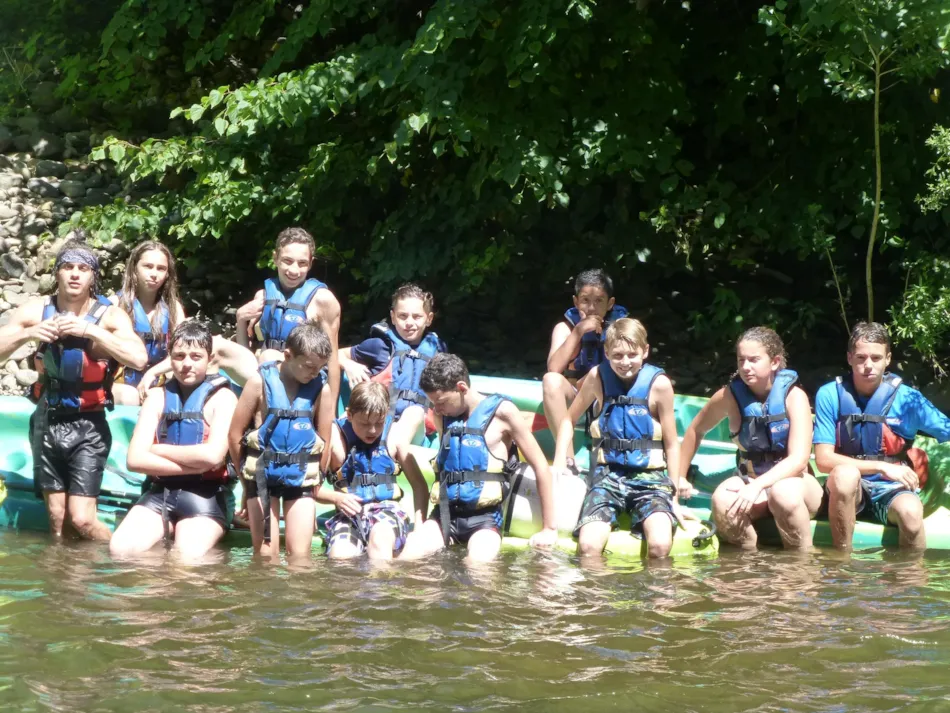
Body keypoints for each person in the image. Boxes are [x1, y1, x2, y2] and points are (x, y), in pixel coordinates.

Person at [0, 238, 147, 541]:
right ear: (57, 273)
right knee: (56, 518)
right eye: (68, 267)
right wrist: (28, 334)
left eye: (83, 268)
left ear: (93, 276)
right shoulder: (36, 310)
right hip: (47, 421)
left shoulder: (109, 316)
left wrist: (90, 331)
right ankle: (62, 580)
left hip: (89, 425)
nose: (75, 274)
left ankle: (120, 559)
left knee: (81, 519)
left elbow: (139, 358)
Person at [399, 353, 558, 562]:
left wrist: (549, 528)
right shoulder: (442, 415)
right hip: (444, 514)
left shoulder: (503, 413)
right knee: (406, 559)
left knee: (477, 568)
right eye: (433, 403)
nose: (436, 409)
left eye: (441, 401)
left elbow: (540, 466)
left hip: (485, 519)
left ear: (462, 388)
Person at [680, 327, 823, 549]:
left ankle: (801, 569)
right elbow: (694, 431)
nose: (746, 367)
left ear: (774, 362)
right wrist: (680, 477)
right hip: (751, 481)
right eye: (741, 360)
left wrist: (757, 487)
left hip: (797, 487)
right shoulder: (728, 397)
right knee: (722, 500)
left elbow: (799, 460)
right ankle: (749, 566)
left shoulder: (795, 397)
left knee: (782, 493)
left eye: (754, 360)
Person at [553, 318, 684, 559]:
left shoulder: (660, 385)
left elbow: (672, 444)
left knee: (660, 545)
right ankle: (599, 595)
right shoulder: (597, 377)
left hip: (651, 479)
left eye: (632, 355)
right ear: (606, 353)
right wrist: (560, 460)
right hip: (607, 476)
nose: (625, 362)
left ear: (645, 351)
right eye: (617, 356)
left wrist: (674, 497)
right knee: (589, 547)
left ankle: (655, 595)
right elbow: (567, 420)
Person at [814, 322, 950, 549]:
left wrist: (889, 472)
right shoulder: (829, 394)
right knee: (846, 477)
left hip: (890, 488)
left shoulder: (909, 400)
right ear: (849, 358)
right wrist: (882, 466)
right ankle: (842, 564)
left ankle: (910, 580)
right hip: (847, 488)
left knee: (911, 513)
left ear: (887, 359)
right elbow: (823, 460)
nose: (868, 365)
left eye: (876, 358)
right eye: (860, 358)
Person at [109, 321, 237, 559]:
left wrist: (157, 450)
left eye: (196, 356)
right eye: (179, 356)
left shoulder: (224, 399)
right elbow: (135, 460)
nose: (187, 363)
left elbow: (213, 456)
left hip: (206, 496)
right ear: (170, 359)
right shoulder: (157, 397)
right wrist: (196, 464)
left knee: (185, 558)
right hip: (161, 492)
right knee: (120, 550)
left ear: (210, 359)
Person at [228, 320, 333, 558]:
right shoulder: (259, 383)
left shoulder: (320, 390)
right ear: (287, 355)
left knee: (300, 558)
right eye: (308, 367)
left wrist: (317, 483)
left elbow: (325, 440)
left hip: (302, 479)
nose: (314, 373)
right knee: (266, 556)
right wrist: (246, 482)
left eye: (319, 368)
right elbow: (234, 434)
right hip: (262, 478)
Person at [337, 283, 443, 507]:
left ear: (429, 318)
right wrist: (348, 364)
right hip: (376, 425)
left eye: (417, 316)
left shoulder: (437, 350)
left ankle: (389, 454)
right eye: (403, 316)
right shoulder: (378, 346)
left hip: (414, 430)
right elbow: (333, 354)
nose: (409, 322)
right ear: (393, 317)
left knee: (414, 410)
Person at [235, 227, 341, 448]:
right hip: (263, 371)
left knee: (269, 356)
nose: (294, 270)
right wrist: (240, 320)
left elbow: (331, 358)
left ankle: (261, 434)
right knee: (223, 349)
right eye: (287, 261)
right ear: (275, 259)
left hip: (302, 375)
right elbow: (246, 351)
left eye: (302, 263)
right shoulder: (263, 296)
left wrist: (329, 413)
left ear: (311, 263)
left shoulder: (323, 300)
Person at [319, 382, 427, 560]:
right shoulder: (335, 439)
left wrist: (419, 528)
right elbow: (310, 487)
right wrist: (336, 498)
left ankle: (379, 587)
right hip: (349, 515)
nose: (372, 430)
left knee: (379, 537)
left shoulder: (395, 436)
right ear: (349, 415)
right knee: (340, 555)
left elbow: (419, 485)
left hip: (388, 511)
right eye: (364, 423)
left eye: (379, 423)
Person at [542, 269, 629, 456]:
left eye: (599, 301)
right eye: (585, 301)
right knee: (550, 380)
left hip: (606, 396)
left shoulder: (622, 329)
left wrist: (594, 379)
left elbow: (632, 366)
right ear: (575, 301)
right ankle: (567, 459)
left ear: (610, 304)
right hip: (575, 399)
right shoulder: (564, 328)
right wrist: (578, 332)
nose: (591, 308)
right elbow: (554, 368)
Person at [109, 240, 186, 406]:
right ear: (135, 268)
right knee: (131, 396)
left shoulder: (174, 309)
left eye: (161, 268)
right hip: (119, 383)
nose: (154, 274)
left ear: (167, 274)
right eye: (148, 266)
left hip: (157, 381)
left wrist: (152, 373)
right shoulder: (115, 304)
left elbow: (184, 352)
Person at [137, 334, 259, 401]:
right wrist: (152, 373)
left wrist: (152, 372)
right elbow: (198, 347)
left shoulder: (251, 361)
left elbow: (208, 345)